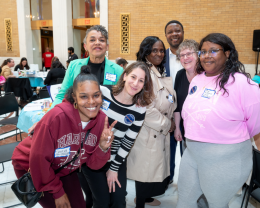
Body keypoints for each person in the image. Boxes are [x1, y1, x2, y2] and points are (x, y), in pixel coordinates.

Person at [176, 33, 260, 208]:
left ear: (227, 53)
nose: (207, 55)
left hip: (225, 157)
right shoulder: (198, 79)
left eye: (213, 50)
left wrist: (229, 135)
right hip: (192, 151)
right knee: (185, 200)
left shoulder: (243, 84)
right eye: (203, 51)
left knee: (217, 204)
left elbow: (256, 122)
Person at [11, 66, 117, 208]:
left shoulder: (101, 121)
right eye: (84, 96)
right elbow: (38, 160)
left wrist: (103, 148)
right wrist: (57, 192)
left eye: (96, 95)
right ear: (74, 97)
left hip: (64, 168)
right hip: (31, 165)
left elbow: (92, 165)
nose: (92, 102)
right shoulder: (56, 118)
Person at [78, 61, 153, 208]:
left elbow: (128, 141)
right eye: (133, 77)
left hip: (115, 159)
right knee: (100, 202)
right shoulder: (104, 92)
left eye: (141, 80)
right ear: (124, 76)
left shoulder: (139, 109)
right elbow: (76, 104)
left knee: (119, 201)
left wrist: (114, 168)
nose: (135, 83)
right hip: (92, 156)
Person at [127, 36, 177, 208]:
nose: (159, 53)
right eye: (154, 50)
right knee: (144, 168)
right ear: (146, 52)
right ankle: (140, 203)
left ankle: (145, 199)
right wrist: (167, 123)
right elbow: (144, 108)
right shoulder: (143, 72)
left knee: (150, 168)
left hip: (158, 127)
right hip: (149, 128)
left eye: (162, 50)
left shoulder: (158, 70)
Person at [48, 25, 123, 111]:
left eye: (102, 40)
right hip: (77, 116)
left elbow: (121, 101)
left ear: (107, 46)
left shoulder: (118, 70)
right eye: (92, 40)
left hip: (105, 118)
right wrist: (48, 117)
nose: (97, 42)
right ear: (85, 46)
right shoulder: (73, 66)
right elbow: (62, 95)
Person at [164, 20, 184, 184]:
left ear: (183, 33)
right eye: (170, 32)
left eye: (177, 31)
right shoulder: (160, 56)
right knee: (168, 149)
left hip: (189, 110)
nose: (174, 34)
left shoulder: (193, 56)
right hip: (169, 111)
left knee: (189, 151)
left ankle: (189, 181)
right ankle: (168, 178)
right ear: (166, 36)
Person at [174, 39, 199, 152]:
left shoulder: (206, 75)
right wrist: (177, 128)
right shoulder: (179, 75)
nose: (185, 58)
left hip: (205, 134)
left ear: (198, 54)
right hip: (185, 132)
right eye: (182, 55)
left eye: (189, 54)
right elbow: (177, 105)